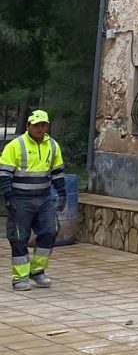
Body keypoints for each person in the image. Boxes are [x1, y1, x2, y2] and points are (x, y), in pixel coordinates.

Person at [0, 110, 65, 290]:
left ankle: (37, 271)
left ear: (47, 126)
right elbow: (4, 174)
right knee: (19, 238)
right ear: (28, 126)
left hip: (44, 198)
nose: (40, 128)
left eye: (43, 125)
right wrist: (8, 197)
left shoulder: (53, 145)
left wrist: (62, 193)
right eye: (36, 125)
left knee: (50, 231)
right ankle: (19, 278)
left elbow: (57, 172)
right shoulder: (15, 145)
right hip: (20, 199)